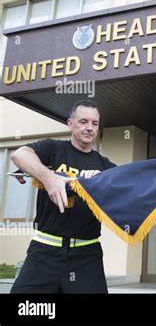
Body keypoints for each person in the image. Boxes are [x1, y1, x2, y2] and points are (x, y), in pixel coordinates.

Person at [10, 99, 116, 293]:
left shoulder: (105, 166)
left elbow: (137, 182)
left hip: (87, 255)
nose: (89, 128)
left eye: (95, 123)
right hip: (44, 251)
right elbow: (19, 154)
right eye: (83, 121)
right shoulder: (52, 149)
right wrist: (49, 178)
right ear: (70, 123)